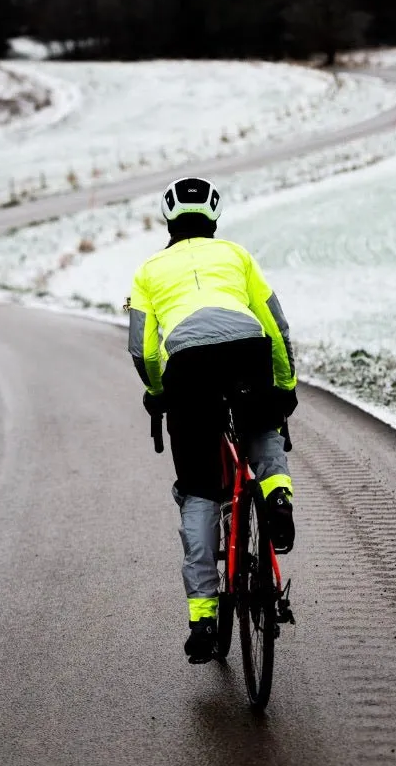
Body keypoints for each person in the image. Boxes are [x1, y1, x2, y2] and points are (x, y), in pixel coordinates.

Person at [127, 176, 298, 664]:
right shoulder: (237, 256)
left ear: (168, 219)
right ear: (214, 218)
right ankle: (278, 496)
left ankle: (203, 619)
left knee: (201, 490)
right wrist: (284, 387)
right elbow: (276, 325)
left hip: (189, 369)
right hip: (247, 351)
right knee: (262, 430)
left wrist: (158, 393)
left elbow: (141, 348)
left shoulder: (149, 270)